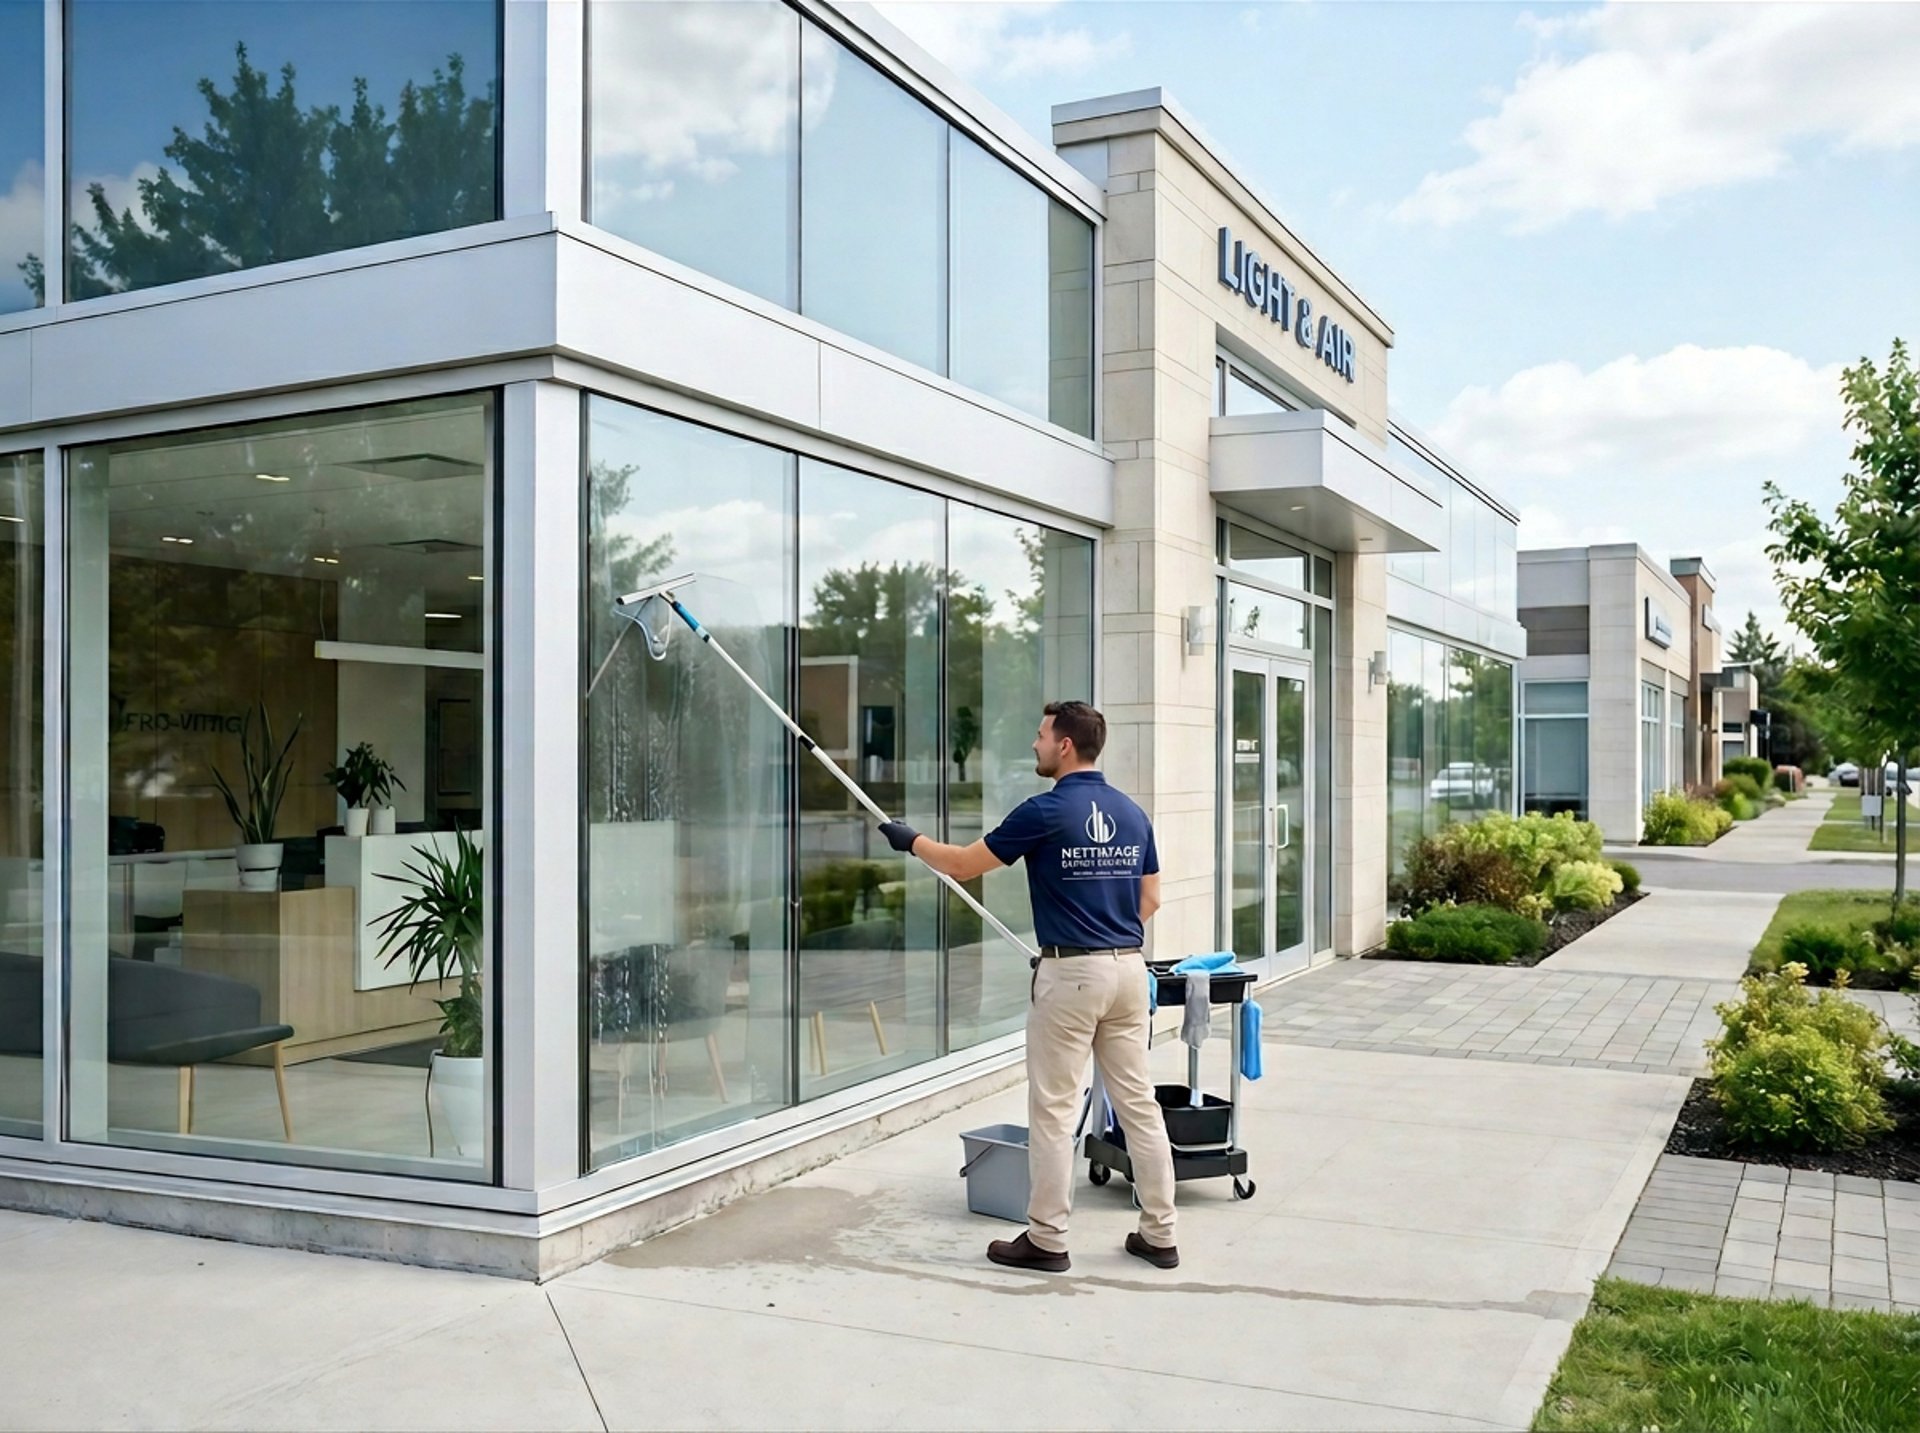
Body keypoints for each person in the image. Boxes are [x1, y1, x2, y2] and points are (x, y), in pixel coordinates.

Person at [878, 700, 1178, 1272]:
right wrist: (1110, 937)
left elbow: (964, 865)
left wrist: (911, 840)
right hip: (1130, 970)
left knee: (1055, 1110)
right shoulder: (1134, 814)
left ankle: (1047, 1239)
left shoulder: (1045, 811)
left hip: (1071, 975)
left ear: (1065, 745)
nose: (1036, 745)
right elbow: (1152, 899)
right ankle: (1160, 1233)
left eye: (1041, 736)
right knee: (1139, 1105)